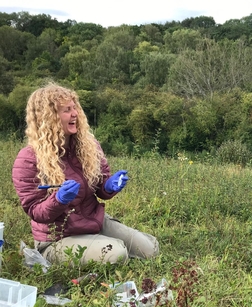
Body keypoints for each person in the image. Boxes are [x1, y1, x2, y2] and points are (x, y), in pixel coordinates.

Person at [12, 82, 159, 265]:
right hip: (57, 237)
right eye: (66, 110)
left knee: (149, 249)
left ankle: (102, 242)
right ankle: (52, 255)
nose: (75, 114)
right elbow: (35, 211)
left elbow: (101, 188)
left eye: (75, 108)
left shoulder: (88, 145)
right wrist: (59, 200)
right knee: (117, 253)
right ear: (48, 118)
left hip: (92, 221)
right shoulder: (28, 159)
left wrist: (109, 185)